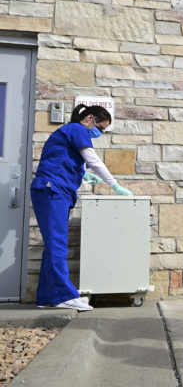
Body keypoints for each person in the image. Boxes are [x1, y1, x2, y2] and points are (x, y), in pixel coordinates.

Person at [30, 104, 133, 311]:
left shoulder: (68, 134)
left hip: (56, 191)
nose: (99, 133)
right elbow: (93, 160)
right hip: (53, 191)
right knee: (57, 243)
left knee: (52, 246)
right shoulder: (77, 129)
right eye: (100, 128)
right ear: (90, 119)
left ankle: (47, 297)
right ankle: (65, 296)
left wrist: (84, 174)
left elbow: (62, 160)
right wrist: (114, 185)